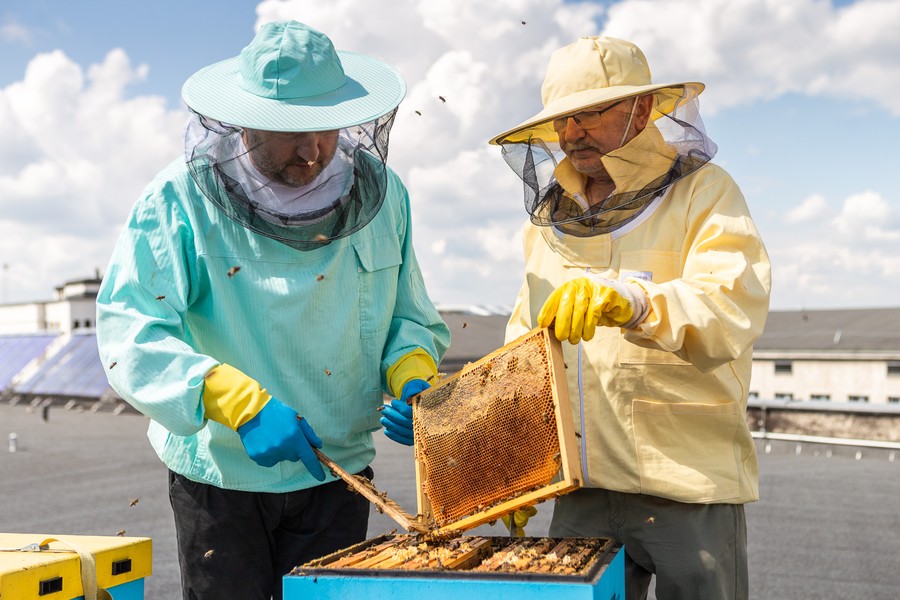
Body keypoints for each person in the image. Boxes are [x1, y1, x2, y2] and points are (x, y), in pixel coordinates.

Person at [96, 21, 449, 600]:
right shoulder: (178, 198)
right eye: (290, 133)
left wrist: (412, 373)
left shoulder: (384, 195)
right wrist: (231, 400)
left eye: (326, 129)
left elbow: (407, 313)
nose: (312, 150)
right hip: (221, 477)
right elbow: (129, 332)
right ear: (242, 120)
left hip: (339, 475)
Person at [489, 36, 770, 599]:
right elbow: (523, 351)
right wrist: (510, 469)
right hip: (580, 493)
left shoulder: (705, 193)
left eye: (590, 113)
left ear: (642, 109)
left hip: (688, 486)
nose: (572, 134)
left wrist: (637, 302)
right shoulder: (549, 222)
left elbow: (729, 309)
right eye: (563, 120)